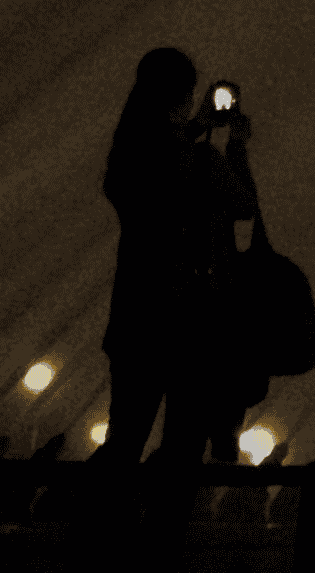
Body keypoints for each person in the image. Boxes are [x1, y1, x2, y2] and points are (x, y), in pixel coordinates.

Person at [95, 47, 258, 483]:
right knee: (183, 447)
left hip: (135, 312)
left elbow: (156, 162)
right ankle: (163, 541)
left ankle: (101, 532)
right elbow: (245, 205)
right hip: (193, 318)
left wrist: (197, 126)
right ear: (185, 96)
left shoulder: (128, 154)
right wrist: (236, 144)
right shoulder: (201, 160)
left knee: (124, 439)